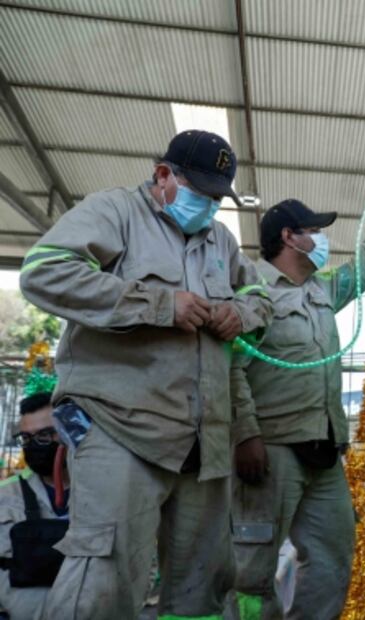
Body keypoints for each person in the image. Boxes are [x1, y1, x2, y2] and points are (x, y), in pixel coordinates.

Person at [19, 130, 273, 620]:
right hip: (121, 430)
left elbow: (261, 297)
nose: (210, 205)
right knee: (102, 580)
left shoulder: (220, 240)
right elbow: (44, 271)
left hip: (204, 445)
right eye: (201, 192)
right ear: (163, 176)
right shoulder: (116, 211)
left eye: (218, 196)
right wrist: (157, 303)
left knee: (205, 586)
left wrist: (241, 314)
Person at [228, 195, 365, 619]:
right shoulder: (253, 291)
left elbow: (360, 271)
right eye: (314, 231)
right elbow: (229, 369)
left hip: (324, 452)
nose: (322, 239)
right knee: (253, 568)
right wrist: (245, 435)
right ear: (289, 237)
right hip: (272, 451)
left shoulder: (319, 291)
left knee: (332, 559)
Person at [0, 392, 69, 620]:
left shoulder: (106, 494)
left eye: (46, 435)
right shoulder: (5, 495)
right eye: (26, 438)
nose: (34, 445)